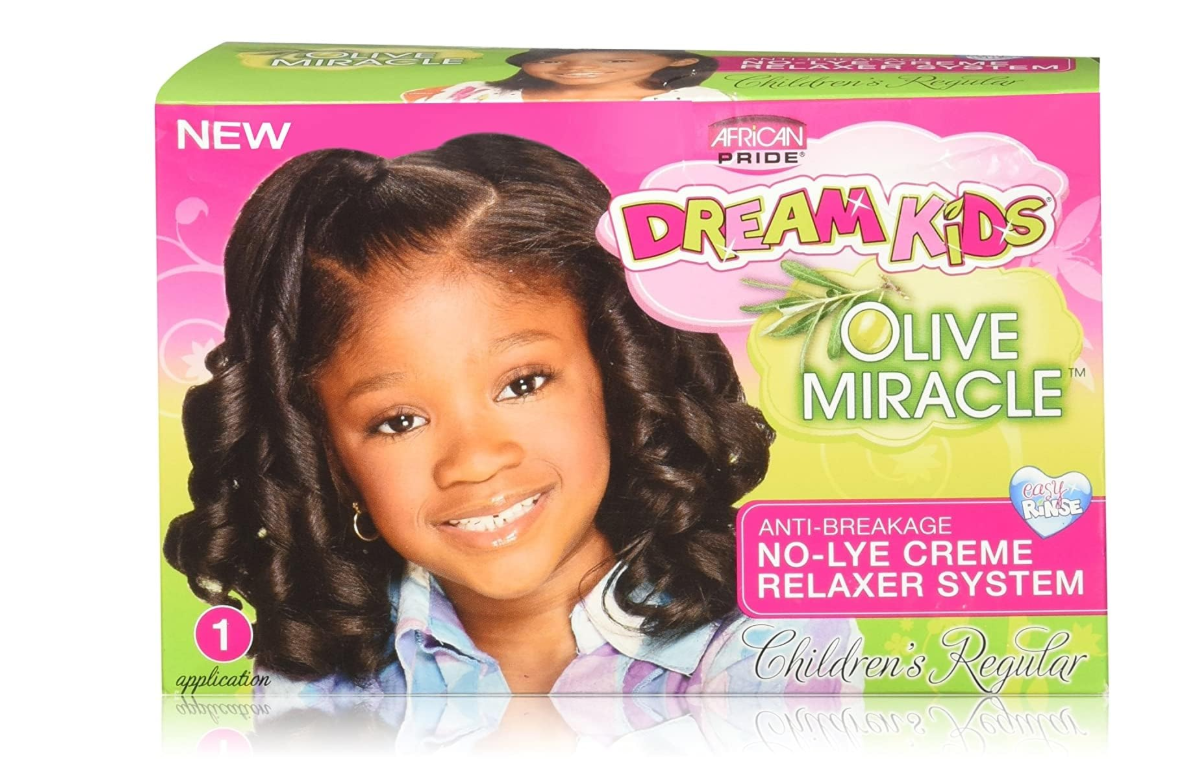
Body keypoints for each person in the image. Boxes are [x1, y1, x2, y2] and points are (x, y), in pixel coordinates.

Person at [163, 133, 857, 695]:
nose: (474, 458)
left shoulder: (773, 642)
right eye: (399, 421)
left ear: (616, 374)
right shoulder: (321, 683)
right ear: (327, 455)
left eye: (523, 384)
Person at [402, 49, 732, 102]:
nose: (573, 67)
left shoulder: (692, 101)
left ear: (681, 61)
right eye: (551, 59)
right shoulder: (480, 93)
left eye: (619, 60)